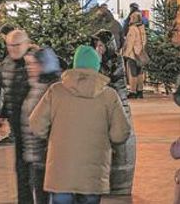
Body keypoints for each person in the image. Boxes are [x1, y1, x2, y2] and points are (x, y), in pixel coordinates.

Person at [30, 45, 131, 204]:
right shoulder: (109, 95)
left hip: (61, 171)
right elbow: (121, 133)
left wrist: (50, 136)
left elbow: (36, 124)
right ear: (96, 65)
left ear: (75, 64)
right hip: (93, 173)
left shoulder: (56, 91)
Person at [20, 47, 61, 204]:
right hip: (36, 155)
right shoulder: (36, 85)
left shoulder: (51, 89)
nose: (29, 68)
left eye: (33, 64)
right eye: (28, 64)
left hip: (46, 156)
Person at [0, 29, 34, 203]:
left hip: (35, 126)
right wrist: (3, 114)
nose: (12, 49)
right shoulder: (7, 63)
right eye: (9, 45)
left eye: (17, 45)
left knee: (34, 168)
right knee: (20, 167)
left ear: (26, 44)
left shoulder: (34, 63)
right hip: (18, 125)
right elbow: (9, 91)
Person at [121, 11, 147, 98]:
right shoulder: (142, 28)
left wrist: (126, 53)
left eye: (131, 17)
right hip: (140, 53)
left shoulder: (132, 28)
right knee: (140, 72)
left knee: (132, 73)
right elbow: (144, 41)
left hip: (133, 54)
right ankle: (140, 91)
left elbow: (130, 43)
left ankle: (133, 91)